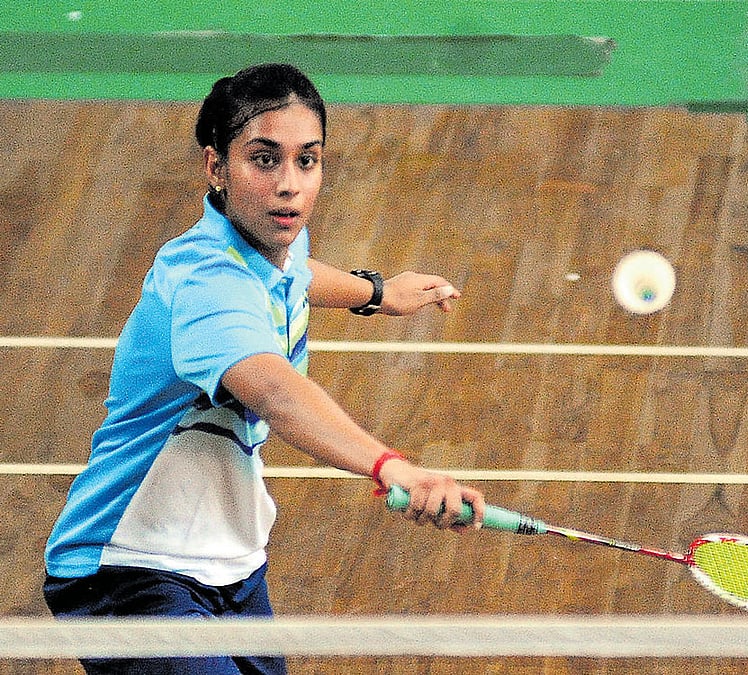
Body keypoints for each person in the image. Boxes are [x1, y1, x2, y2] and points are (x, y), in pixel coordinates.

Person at [43, 63, 485, 675]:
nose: (289, 186)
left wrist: (374, 291)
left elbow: (293, 275)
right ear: (216, 167)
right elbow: (276, 392)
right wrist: (391, 466)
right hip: (128, 569)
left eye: (307, 160)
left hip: (233, 564)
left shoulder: (268, 240)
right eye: (264, 159)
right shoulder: (205, 283)